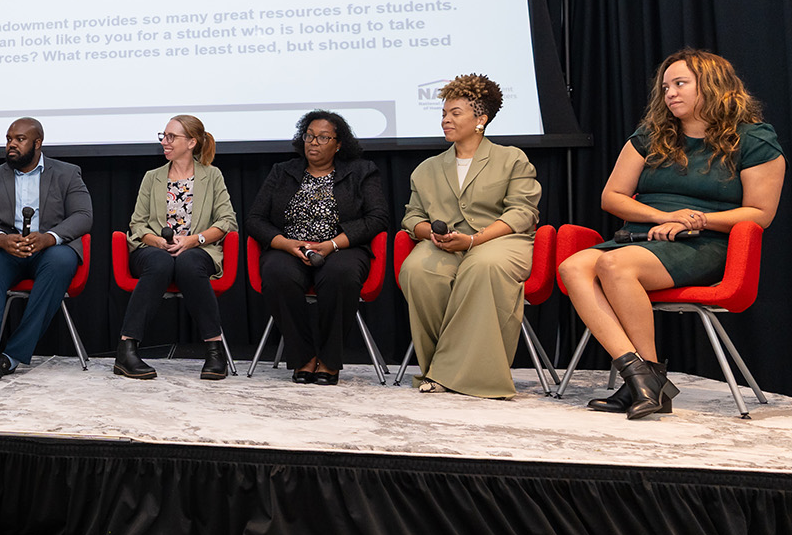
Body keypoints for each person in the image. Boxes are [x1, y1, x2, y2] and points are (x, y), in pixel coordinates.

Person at [557, 49, 785, 419]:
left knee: (613, 266)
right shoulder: (650, 135)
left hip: (704, 242)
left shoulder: (753, 139)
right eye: (665, 87)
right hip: (642, 237)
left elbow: (760, 213)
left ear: (713, 86)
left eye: (680, 84)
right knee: (572, 267)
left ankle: (645, 381)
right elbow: (611, 197)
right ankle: (642, 380)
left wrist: (694, 221)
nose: (670, 94)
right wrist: (664, 215)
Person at [400, 74, 541, 398]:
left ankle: (451, 374)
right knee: (419, 269)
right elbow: (413, 218)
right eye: (444, 114)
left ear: (481, 119)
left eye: (455, 113)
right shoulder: (426, 169)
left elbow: (522, 212)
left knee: (483, 267)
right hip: (446, 245)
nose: (446, 120)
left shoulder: (512, 158)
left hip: (500, 241)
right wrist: (430, 235)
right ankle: (442, 367)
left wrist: (475, 241)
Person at [246, 110, 390, 385]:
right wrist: (286, 244)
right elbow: (255, 219)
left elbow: (378, 218)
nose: (313, 142)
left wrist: (333, 244)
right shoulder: (282, 171)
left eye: (323, 137)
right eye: (309, 136)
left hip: (342, 248)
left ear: (338, 144)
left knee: (340, 275)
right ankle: (303, 358)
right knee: (277, 273)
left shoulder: (361, 171)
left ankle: (329, 361)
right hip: (290, 249)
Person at [0, 117, 92, 381]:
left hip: (48, 249)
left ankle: (11, 357)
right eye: (9, 139)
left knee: (62, 261)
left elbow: (83, 215)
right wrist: (0, 239)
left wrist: (49, 238)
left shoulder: (67, 173)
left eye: (19, 139)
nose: (11, 145)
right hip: (7, 249)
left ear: (37, 143)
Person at [115, 116, 239, 380]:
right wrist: (157, 241)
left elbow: (228, 222)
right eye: (164, 135)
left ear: (191, 142)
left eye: (172, 137)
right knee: (161, 262)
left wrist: (195, 240)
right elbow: (137, 224)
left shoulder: (212, 176)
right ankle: (126, 350)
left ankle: (215, 351)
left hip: (198, 250)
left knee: (189, 262)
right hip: (152, 249)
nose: (165, 141)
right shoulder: (152, 178)